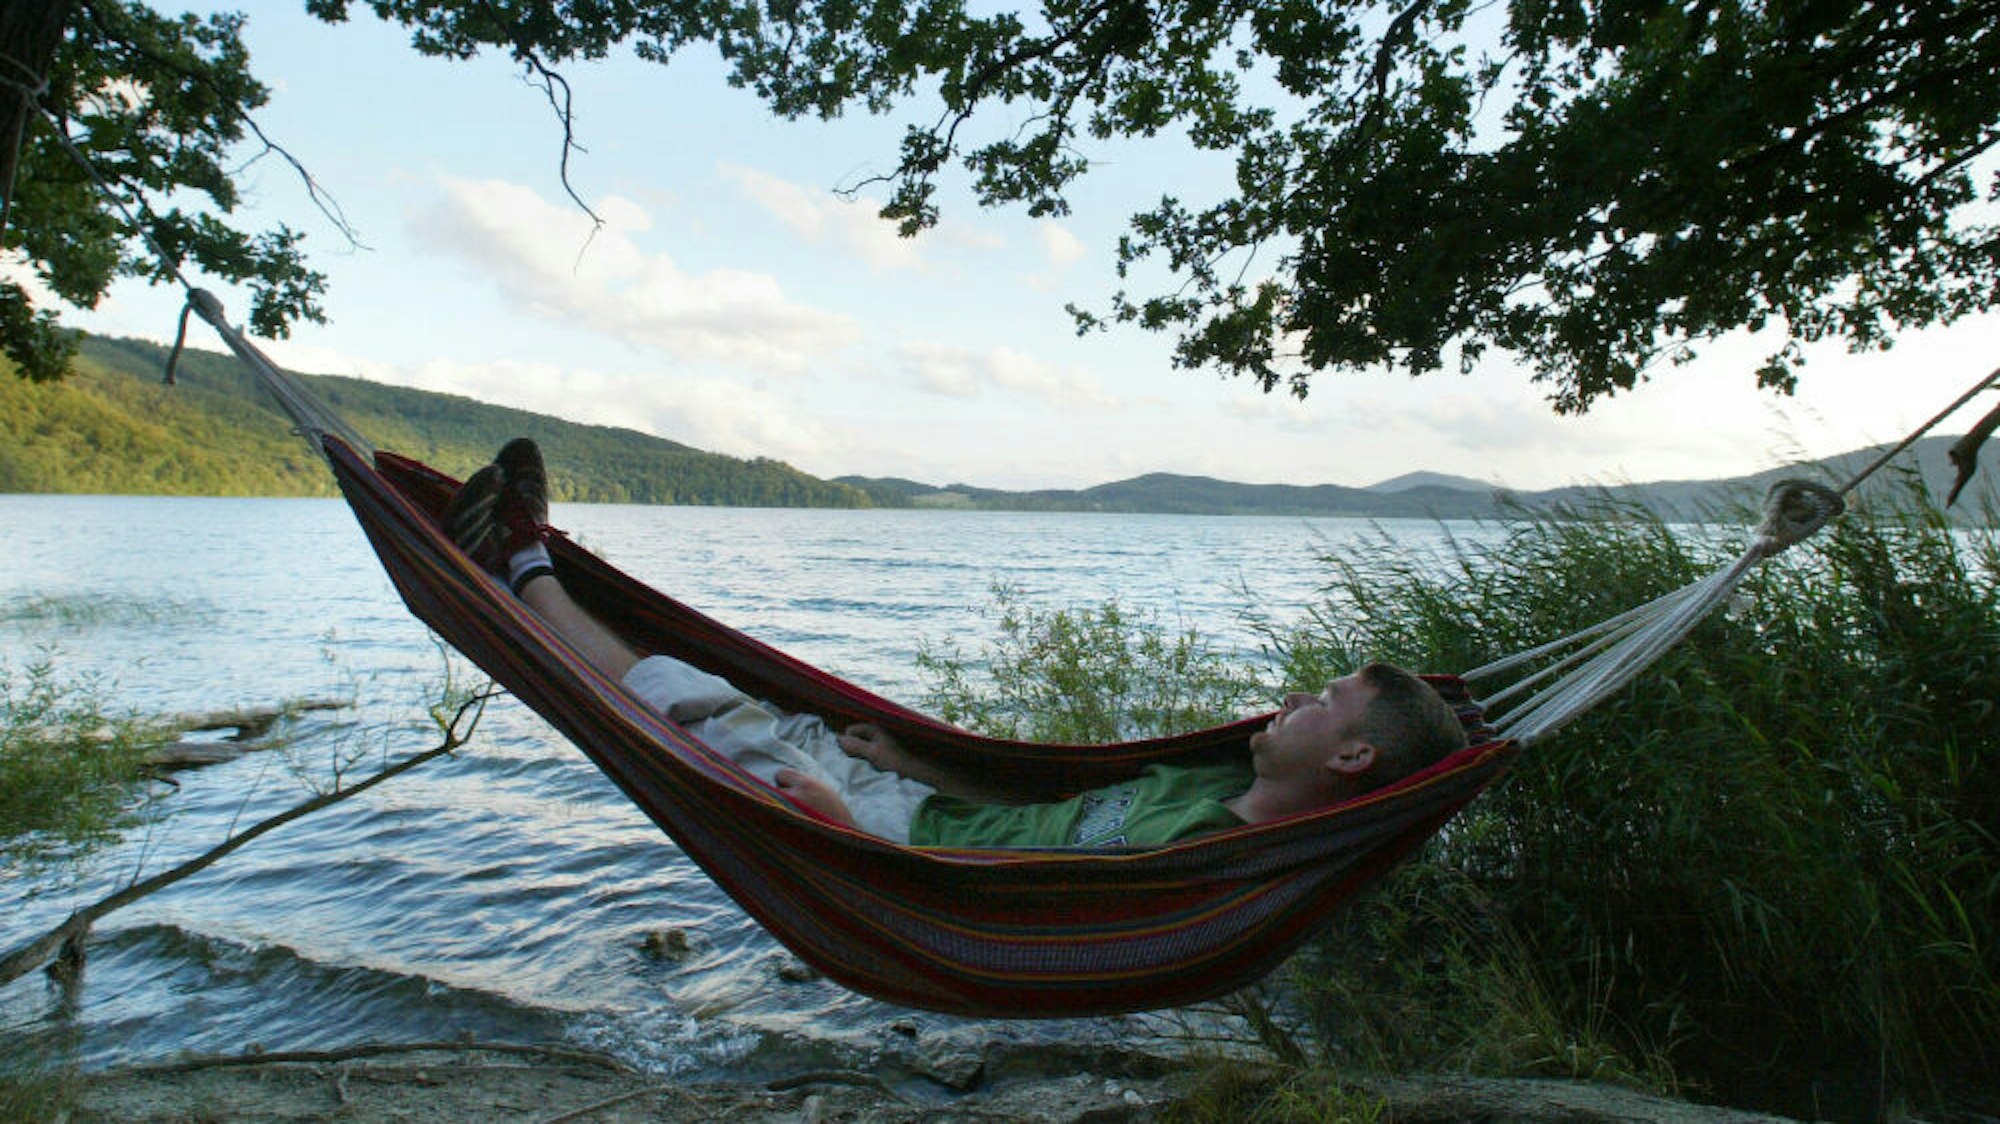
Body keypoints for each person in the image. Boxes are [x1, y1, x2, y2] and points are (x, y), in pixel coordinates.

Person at [445, 438, 1470, 848]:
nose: (1291, 698)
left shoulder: (1211, 854)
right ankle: (537, 574)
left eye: (1321, 701)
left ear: (1347, 756)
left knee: (693, 706)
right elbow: (1042, 807)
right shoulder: (1190, 782)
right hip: (908, 806)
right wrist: (911, 758)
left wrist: (846, 825)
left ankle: (523, 570)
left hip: (889, 854)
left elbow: (1041, 909)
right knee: (735, 698)